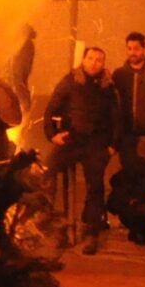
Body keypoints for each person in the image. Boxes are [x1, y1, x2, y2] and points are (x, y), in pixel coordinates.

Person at [42, 45, 119, 250]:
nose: (94, 63)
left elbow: (116, 118)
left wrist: (112, 145)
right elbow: (50, 109)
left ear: (103, 64)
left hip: (97, 143)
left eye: (99, 60)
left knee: (95, 186)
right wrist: (52, 135)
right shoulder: (70, 81)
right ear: (83, 60)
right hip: (72, 139)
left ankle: (90, 232)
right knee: (47, 171)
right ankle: (50, 224)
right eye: (91, 58)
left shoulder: (108, 86)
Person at [110, 32, 145, 157]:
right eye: (129, 48)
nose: (132, 52)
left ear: (144, 49)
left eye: (136, 48)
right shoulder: (119, 75)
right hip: (125, 133)